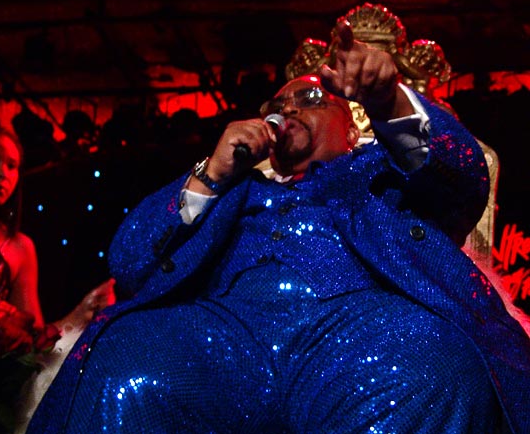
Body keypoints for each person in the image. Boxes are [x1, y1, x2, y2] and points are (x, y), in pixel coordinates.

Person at [27, 22, 530, 433]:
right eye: (276, 105)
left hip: (363, 330)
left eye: (309, 98)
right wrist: (211, 174)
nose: (287, 109)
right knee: (124, 355)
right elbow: (129, 260)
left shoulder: (383, 171)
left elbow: (463, 179)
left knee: (437, 367)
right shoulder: (233, 188)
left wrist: (390, 103)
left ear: (350, 126)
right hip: (224, 334)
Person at [0, 114, 116, 430]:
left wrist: (78, 314)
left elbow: (31, 340)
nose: (3, 174)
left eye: (13, 166)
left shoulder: (17, 246)